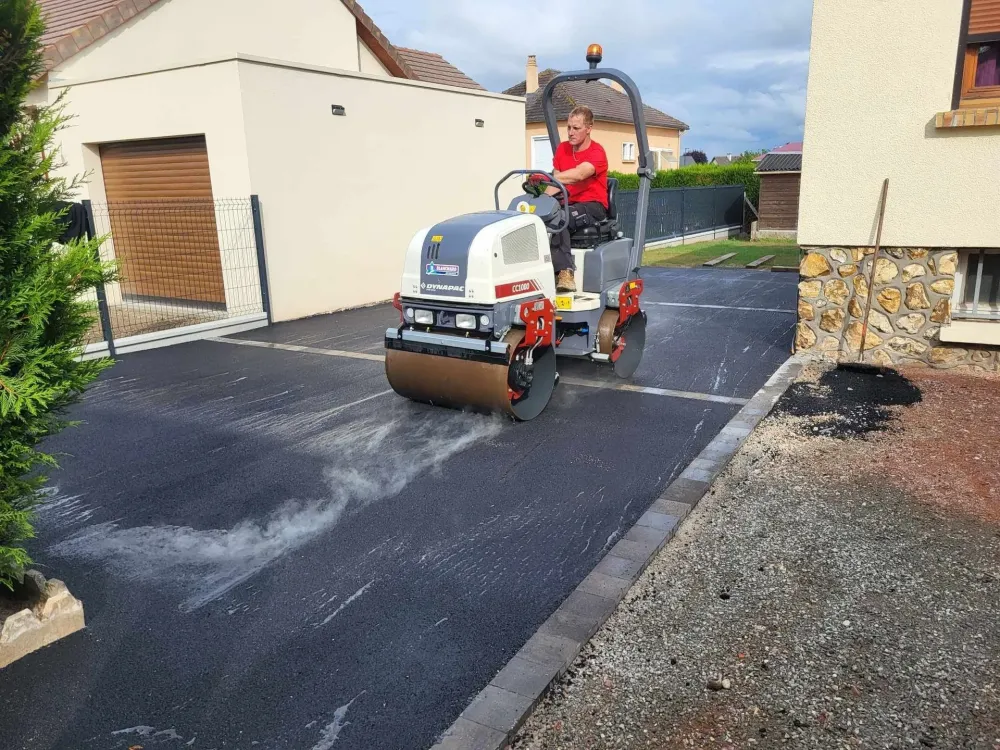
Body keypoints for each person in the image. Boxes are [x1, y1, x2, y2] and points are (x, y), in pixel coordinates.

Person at [544, 105, 609, 293]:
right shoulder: (562, 149)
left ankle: (565, 273)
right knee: (539, 216)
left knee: (560, 218)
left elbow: (579, 174)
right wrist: (541, 201)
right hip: (568, 203)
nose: (571, 133)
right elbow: (556, 183)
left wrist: (547, 178)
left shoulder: (597, 152)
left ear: (589, 128)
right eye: (569, 128)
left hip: (593, 206)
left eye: (576, 128)